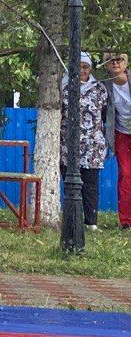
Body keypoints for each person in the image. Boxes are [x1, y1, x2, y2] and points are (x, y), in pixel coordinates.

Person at [61, 52, 108, 231]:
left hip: (92, 145)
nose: (82, 70)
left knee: (90, 185)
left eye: (86, 66)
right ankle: (72, 220)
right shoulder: (64, 87)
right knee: (70, 184)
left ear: (90, 69)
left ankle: (90, 222)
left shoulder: (99, 89)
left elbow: (104, 115)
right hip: (68, 144)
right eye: (78, 66)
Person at [102, 52, 130, 230]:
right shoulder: (105, 86)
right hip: (122, 135)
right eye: (111, 60)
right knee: (126, 175)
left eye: (119, 59)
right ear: (106, 64)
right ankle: (126, 221)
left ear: (125, 63)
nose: (115, 63)